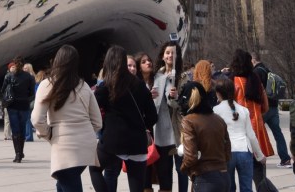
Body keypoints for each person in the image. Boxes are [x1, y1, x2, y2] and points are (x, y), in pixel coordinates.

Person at [32, 44, 103, 192]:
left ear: (56, 61)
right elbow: (97, 122)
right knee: (64, 183)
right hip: (86, 145)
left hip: (63, 145)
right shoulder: (84, 86)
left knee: (69, 183)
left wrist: (48, 134)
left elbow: (37, 120)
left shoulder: (48, 84)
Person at [94, 44, 157, 192]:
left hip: (113, 142)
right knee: (136, 186)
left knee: (95, 169)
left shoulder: (106, 86)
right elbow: (153, 116)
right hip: (137, 142)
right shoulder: (140, 85)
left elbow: (93, 111)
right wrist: (143, 126)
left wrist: (104, 126)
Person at [178, 76, 230, 192]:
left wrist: (183, 168)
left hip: (205, 179)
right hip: (224, 177)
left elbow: (191, 156)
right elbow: (227, 153)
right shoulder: (218, 119)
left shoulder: (189, 121)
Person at [213, 77, 265, 192]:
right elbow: (251, 135)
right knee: (246, 187)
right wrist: (260, 155)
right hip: (244, 150)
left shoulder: (215, 111)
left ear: (218, 93)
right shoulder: (243, 110)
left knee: (228, 187)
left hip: (226, 153)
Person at [228, 49, 272, 160]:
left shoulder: (233, 81)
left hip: (239, 123)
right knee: (259, 165)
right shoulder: (255, 79)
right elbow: (265, 106)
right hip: (256, 122)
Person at [151, 41, 183, 192]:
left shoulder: (183, 77)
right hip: (162, 132)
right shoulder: (157, 76)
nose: (170, 55)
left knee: (182, 169)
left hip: (179, 131)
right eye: (168, 53)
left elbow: (178, 104)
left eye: (173, 52)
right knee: (164, 171)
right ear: (163, 56)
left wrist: (175, 97)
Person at [251, 53, 291, 168]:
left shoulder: (257, 72)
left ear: (253, 60)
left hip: (264, 107)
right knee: (278, 133)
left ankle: (257, 158)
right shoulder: (268, 70)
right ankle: (285, 159)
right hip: (274, 106)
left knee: (255, 133)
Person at [1, 56, 37, 163]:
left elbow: (3, 90)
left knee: (15, 130)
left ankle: (17, 154)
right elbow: (32, 92)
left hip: (12, 105)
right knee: (22, 129)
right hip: (24, 105)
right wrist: (25, 98)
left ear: (14, 64)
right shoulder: (29, 77)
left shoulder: (9, 76)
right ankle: (20, 152)